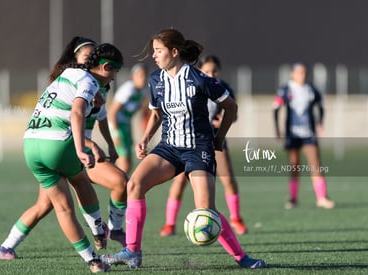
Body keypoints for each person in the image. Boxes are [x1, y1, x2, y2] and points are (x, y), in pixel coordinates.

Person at [101, 29, 266, 269]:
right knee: (134, 185)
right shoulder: (156, 80)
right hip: (169, 146)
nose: (154, 56)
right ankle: (133, 252)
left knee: (206, 211)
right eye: (154, 51)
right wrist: (145, 139)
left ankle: (243, 258)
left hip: (198, 148)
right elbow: (156, 113)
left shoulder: (200, 79)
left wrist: (219, 138)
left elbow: (230, 107)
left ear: (174, 52)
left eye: (158, 51)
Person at [0, 43, 123, 273]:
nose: (114, 78)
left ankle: (94, 262)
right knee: (82, 181)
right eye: (115, 72)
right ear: (105, 67)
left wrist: (95, 102)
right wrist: (81, 149)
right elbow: (75, 112)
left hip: (31, 145)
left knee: (62, 208)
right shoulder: (89, 81)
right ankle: (97, 231)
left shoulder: (69, 73)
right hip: (57, 144)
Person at [159, 55, 247, 237]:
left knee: (228, 178)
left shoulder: (222, 87)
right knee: (180, 181)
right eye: (207, 71)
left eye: (214, 71)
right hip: (189, 142)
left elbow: (233, 112)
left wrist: (223, 122)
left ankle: (236, 219)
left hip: (214, 141)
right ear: (200, 71)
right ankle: (169, 224)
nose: (211, 74)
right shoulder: (194, 84)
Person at [273, 62, 335, 209]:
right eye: (299, 72)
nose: (302, 75)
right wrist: (277, 129)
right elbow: (275, 108)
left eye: (304, 73)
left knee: (315, 164)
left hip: (309, 134)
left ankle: (322, 197)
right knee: (294, 166)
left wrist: (320, 124)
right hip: (292, 134)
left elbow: (320, 107)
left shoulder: (311, 90)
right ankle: (293, 198)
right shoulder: (286, 90)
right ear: (292, 74)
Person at [107, 63, 149, 174]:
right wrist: (115, 134)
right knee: (124, 164)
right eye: (140, 75)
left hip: (125, 126)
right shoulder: (128, 89)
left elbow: (138, 113)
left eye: (145, 75)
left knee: (128, 163)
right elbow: (112, 113)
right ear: (133, 77)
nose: (143, 78)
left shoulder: (143, 91)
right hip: (117, 126)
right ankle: (117, 186)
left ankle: (120, 187)